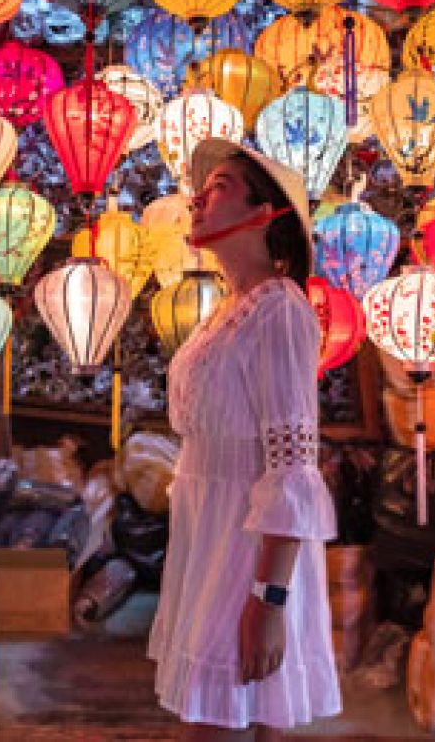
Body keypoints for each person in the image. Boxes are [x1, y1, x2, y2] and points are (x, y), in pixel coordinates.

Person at [148, 137, 341, 741]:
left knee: (229, 716)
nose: (198, 200)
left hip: (249, 545)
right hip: (210, 534)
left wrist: (270, 596)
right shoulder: (228, 310)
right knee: (233, 717)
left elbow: (293, 462)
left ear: (265, 213)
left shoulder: (279, 310)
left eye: (221, 187)